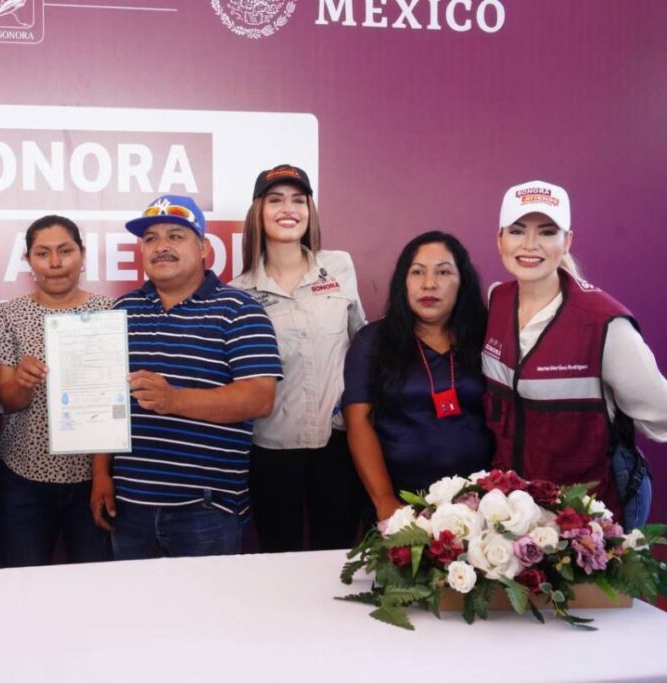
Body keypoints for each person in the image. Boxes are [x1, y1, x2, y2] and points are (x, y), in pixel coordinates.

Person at [90, 194, 282, 559]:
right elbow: (102, 398)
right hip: (129, 505)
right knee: (134, 598)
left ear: (204, 248)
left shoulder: (241, 311)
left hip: (207, 507)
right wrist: (101, 474)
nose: (161, 246)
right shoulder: (120, 311)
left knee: (208, 599)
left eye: (175, 236)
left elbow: (260, 398)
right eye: (150, 238)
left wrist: (174, 399)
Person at [483, 180, 667, 529]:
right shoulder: (496, 300)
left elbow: (661, 413)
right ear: (500, 239)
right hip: (514, 514)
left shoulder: (604, 324)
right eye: (517, 231)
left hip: (588, 519)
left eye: (547, 232)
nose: (530, 244)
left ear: (567, 241)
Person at [230, 164, 367, 552]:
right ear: (258, 211)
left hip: (338, 444)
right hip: (270, 451)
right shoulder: (238, 293)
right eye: (275, 200)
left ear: (310, 210)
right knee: (279, 559)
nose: (288, 209)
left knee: (337, 559)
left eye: (298, 200)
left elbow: (361, 344)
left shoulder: (339, 267)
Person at [343, 231, 492, 521]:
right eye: (417, 272)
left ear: (462, 281)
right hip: (400, 505)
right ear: (403, 281)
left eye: (443, 272)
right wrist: (385, 500)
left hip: (483, 504)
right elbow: (358, 421)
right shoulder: (372, 341)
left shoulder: (487, 336)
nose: (429, 283)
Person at [0, 215, 112, 567]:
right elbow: (9, 401)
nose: (55, 263)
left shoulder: (108, 312)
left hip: (90, 478)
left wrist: (101, 475)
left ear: (82, 254)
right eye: (43, 253)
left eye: (65, 251)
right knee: (23, 580)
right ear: (28, 260)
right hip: (22, 478)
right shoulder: (7, 316)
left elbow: (109, 403)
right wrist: (22, 383)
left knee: (95, 583)